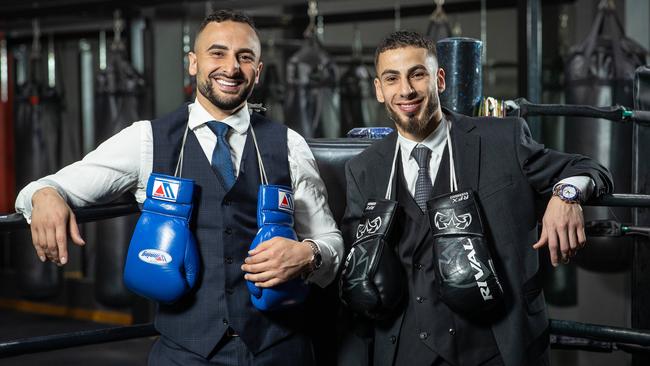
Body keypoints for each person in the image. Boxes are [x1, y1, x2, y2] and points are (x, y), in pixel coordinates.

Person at [15, 9, 343, 365]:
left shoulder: (289, 145)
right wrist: (43, 194)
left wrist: (308, 253)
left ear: (258, 71)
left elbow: (331, 240)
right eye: (217, 53)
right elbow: (45, 187)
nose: (231, 68)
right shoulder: (147, 140)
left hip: (279, 351)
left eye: (244, 57)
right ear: (193, 63)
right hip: (185, 354)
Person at [338, 30, 613, 366]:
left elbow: (588, 168)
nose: (406, 90)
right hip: (402, 351)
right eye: (392, 78)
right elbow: (356, 263)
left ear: (439, 79)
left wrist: (566, 195)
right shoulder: (365, 169)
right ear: (379, 90)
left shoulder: (501, 140)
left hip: (494, 348)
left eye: (417, 74)